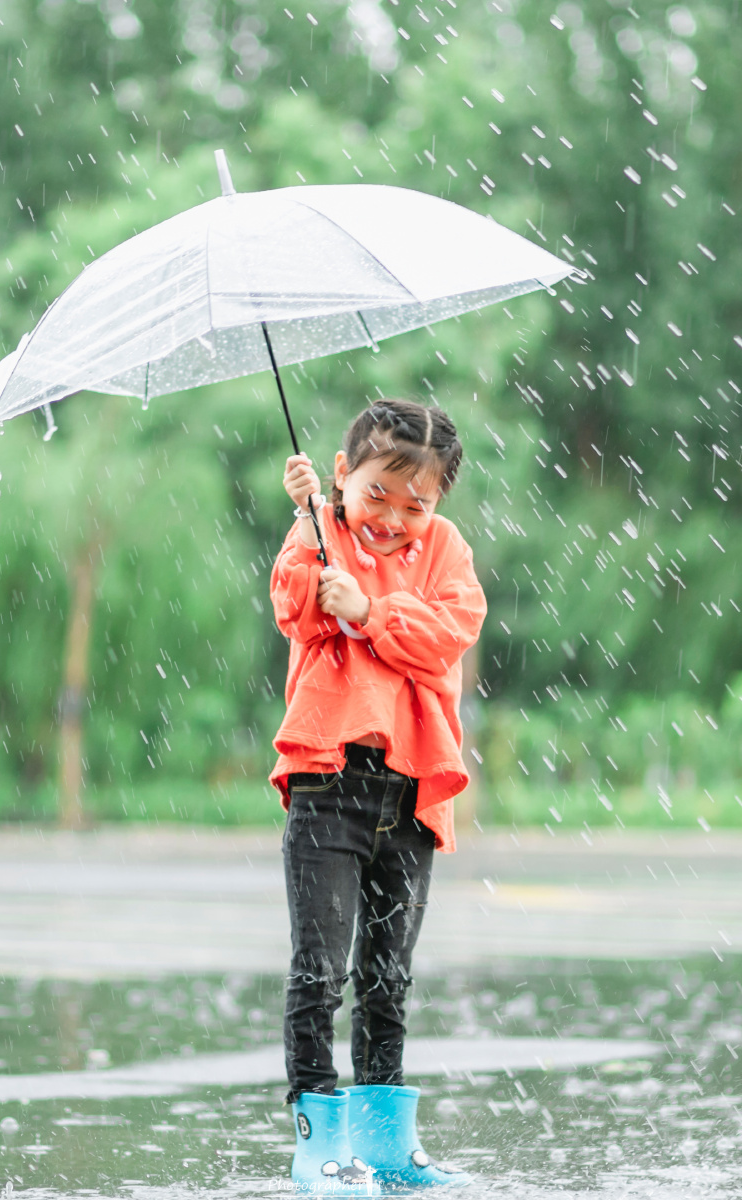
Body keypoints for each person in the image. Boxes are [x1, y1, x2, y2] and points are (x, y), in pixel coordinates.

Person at [270, 399, 487, 1194]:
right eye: (376, 496)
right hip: (327, 784)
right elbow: (295, 611)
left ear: (439, 502)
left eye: (415, 504)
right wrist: (309, 527)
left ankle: (386, 1144)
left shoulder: (446, 551)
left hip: (411, 794)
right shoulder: (318, 530)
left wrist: (369, 610)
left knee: (388, 975)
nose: (393, 518)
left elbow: (448, 635)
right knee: (320, 970)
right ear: (341, 473)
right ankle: (317, 1143)